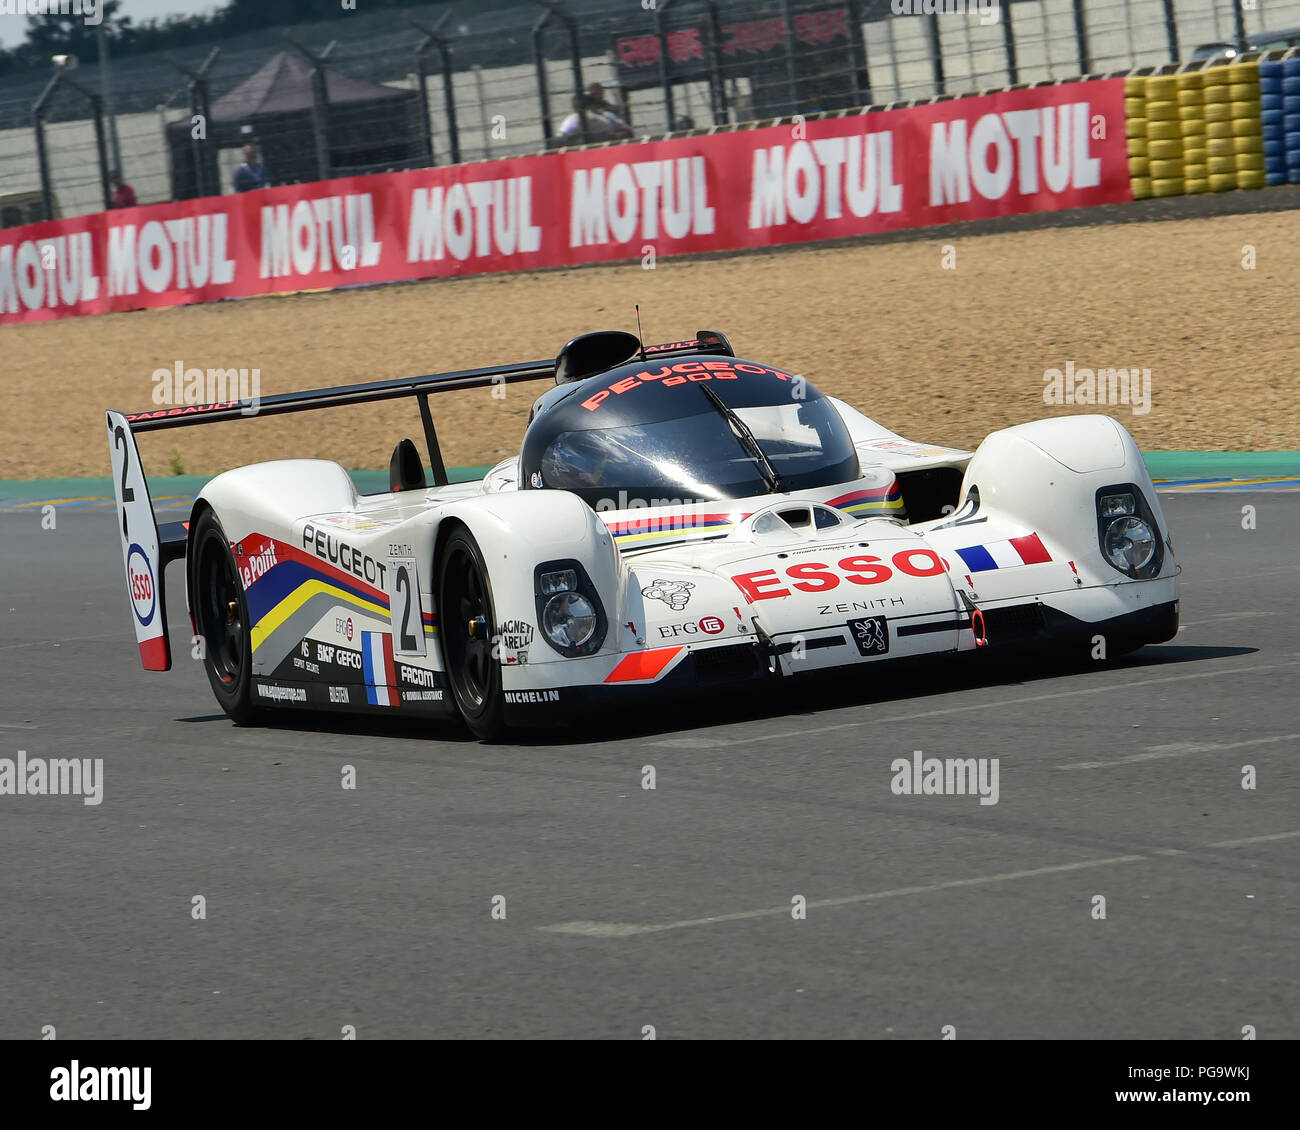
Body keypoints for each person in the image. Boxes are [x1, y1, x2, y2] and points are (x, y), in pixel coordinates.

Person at [557, 84, 632, 143]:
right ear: (591, 104)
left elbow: (560, 138)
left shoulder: (573, 119)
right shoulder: (607, 115)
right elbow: (627, 130)